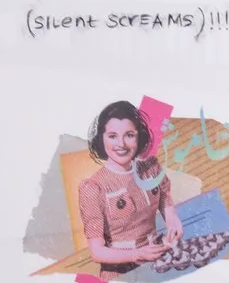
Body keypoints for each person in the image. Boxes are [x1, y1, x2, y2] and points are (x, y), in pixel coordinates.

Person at [78, 100, 182, 272]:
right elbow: (97, 252)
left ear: (139, 136)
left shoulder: (151, 168)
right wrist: (138, 254)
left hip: (156, 262)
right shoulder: (93, 187)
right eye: (112, 136)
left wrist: (173, 222)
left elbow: (165, 199)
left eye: (129, 135)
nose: (121, 144)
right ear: (101, 139)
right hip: (120, 272)